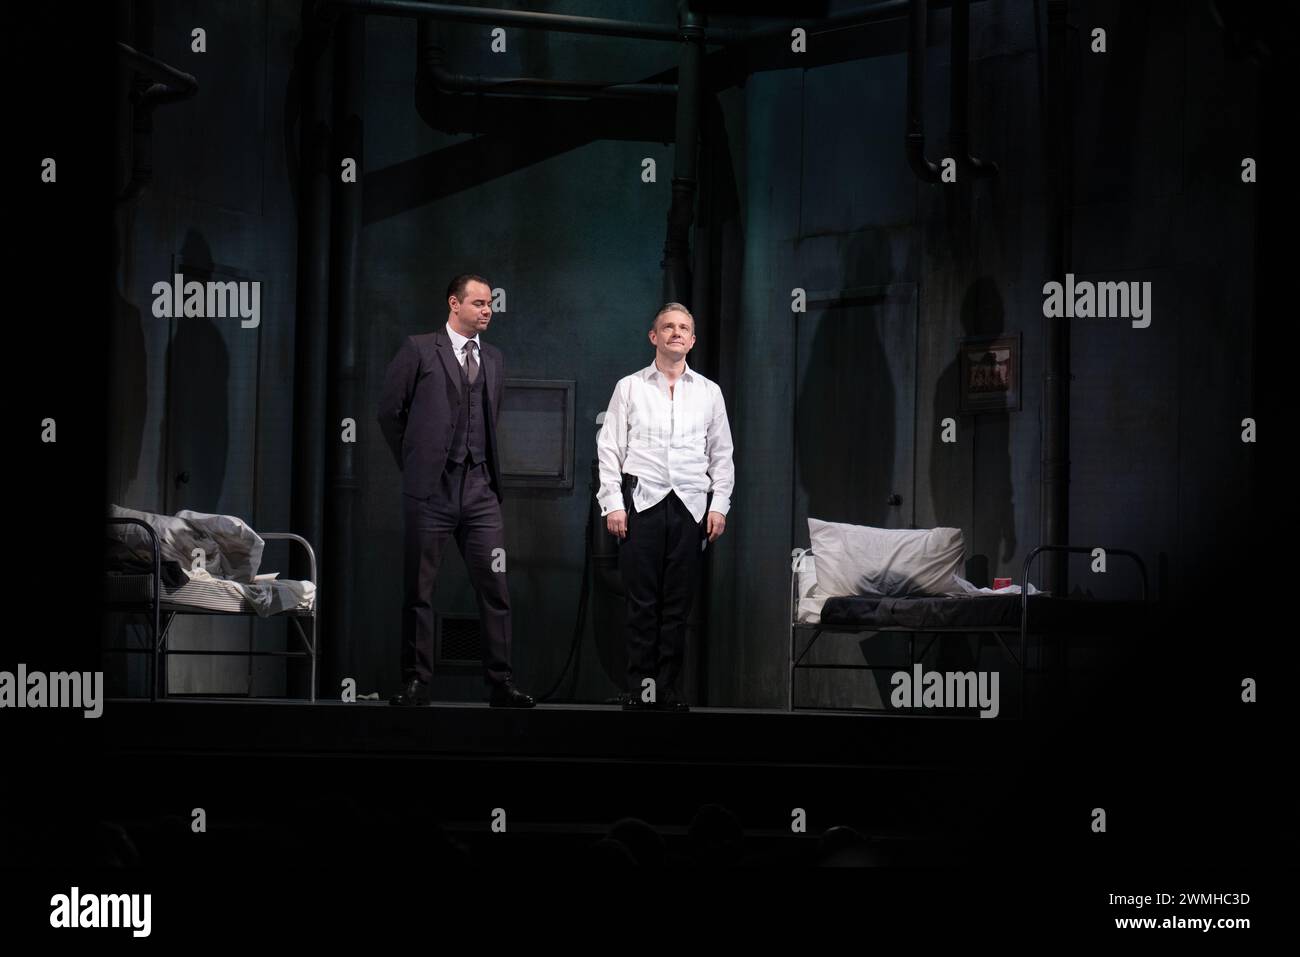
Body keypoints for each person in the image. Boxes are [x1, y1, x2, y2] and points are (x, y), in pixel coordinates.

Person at [377, 273, 534, 708]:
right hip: (431, 490)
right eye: (480, 303)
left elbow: (488, 416)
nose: (488, 310)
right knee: (419, 588)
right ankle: (416, 683)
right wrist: (417, 464)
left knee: (496, 588)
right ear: (454, 303)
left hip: (480, 489)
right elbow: (390, 412)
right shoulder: (420, 348)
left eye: (490, 305)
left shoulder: (495, 358)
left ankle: (500, 683)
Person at [596, 303, 735, 712]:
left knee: (677, 607)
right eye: (668, 327)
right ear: (653, 336)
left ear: (692, 340)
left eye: (684, 328)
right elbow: (609, 448)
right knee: (641, 603)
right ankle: (642, 689)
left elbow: (722, 455)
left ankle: (667, 689)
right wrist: (612, 505)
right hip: (643, 504)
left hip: (691, 507)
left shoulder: (710, 392)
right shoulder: (630, 387)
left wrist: (719, 506)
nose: (676, 332)